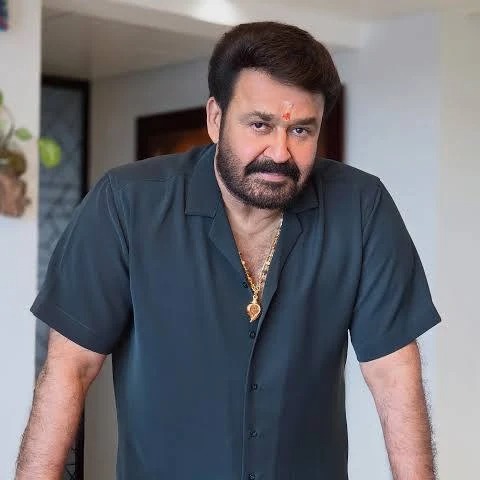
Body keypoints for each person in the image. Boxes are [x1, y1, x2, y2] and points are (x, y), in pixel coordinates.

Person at [16, 21, 440, 480]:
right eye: (260, 125)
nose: (280, 152)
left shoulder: (361, 208)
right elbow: (70, 369)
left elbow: (394, 376)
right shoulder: (126, 203)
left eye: (301, 130)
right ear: (215, 119)